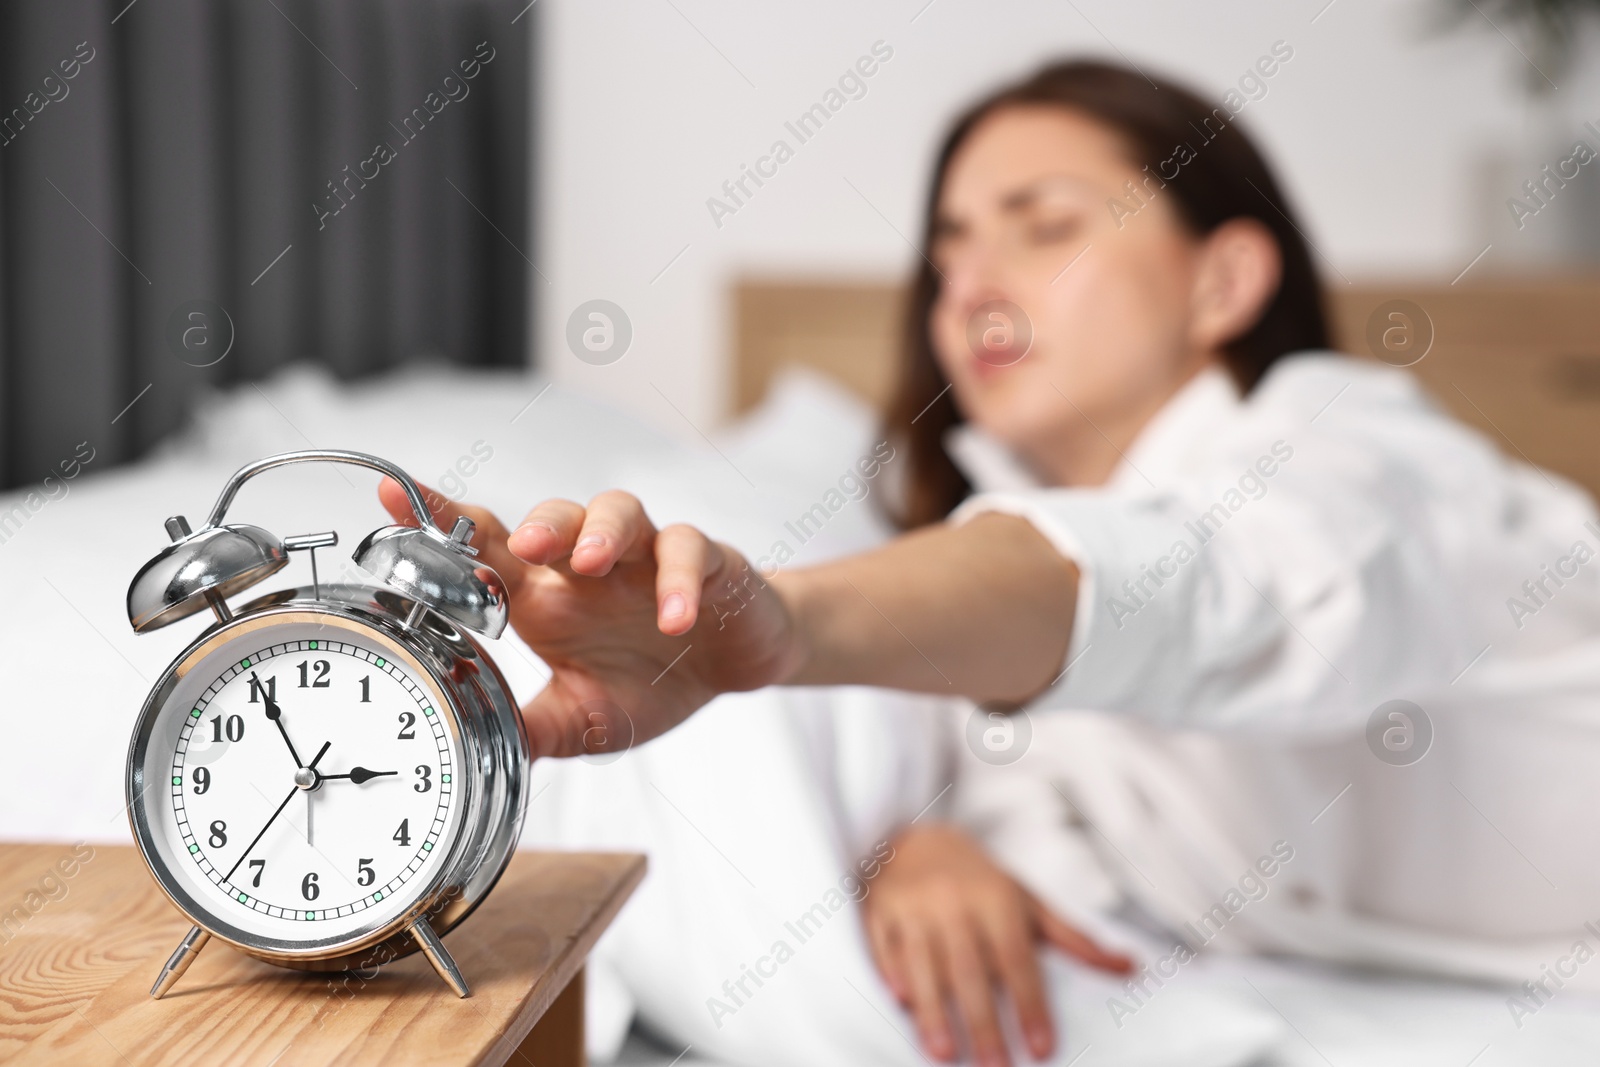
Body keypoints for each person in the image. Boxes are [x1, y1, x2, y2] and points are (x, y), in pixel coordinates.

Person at [382, 60, 1600, 1066]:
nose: (969, 281)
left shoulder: (1357, 454)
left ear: (1223, 278)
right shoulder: (979, 582)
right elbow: (1037, 752)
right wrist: (911, 844)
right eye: (947, 247)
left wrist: (790, 625)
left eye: (1048, 225)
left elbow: (1203, 586)